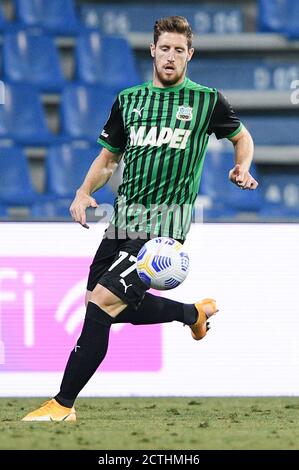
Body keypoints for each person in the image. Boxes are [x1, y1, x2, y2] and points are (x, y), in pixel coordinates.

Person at [22, 16, 258, 422]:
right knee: (107, 303)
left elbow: (242, 136)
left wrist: (242, 166)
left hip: (163, 229)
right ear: (152, 51)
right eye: (164, 48)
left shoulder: (205, 100)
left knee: (102, 304)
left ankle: (62, 405)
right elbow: (108, 158)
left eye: (179, 50)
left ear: (190, 55)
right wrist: (83, 191)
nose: (171, 56)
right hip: (123, 220)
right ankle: (191, 314)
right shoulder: (128, 100)